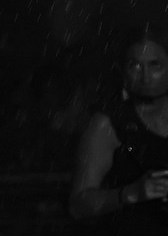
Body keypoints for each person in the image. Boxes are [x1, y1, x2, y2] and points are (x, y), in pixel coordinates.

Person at [69, 24, 168, 233]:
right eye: (136, 65)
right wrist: (131, 193)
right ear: (123, 71)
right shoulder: (108, 124)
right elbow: (79, 205)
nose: (146, 76)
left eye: (155, 65)